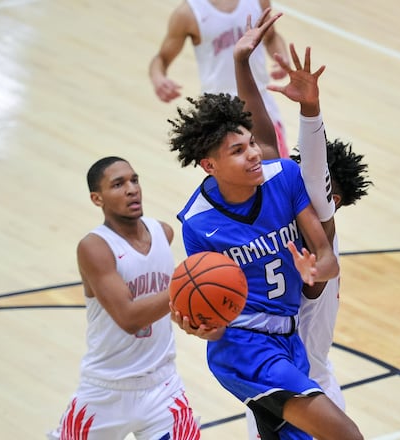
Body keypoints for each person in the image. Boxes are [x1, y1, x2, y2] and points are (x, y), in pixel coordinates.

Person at [166, 10, 364, 439]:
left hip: (290, 343)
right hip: (246, 348)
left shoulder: (285, 179)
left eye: (251, 143)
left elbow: (325, 257)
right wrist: (202, 324)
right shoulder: (199, 223)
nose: (254, 153)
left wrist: (317, 271)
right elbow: (210, 302)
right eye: (238, 150)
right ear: (209, 165)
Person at [231, 13, 372, 437]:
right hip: (278, 385)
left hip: (307, 386)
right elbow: (268, 141)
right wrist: (242, 62)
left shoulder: (321, 232)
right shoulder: (291, 209)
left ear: (333, 198)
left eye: (312, 180)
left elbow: (311, 167)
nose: (294, 175)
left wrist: (311, 109)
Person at [48, 157, 200, 440]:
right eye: (118, 184)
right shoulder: (95, 248)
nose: (131, 189)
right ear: (97, 198)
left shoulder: (163, 233)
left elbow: (170, 309)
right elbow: (129, 318)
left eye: (134, 180)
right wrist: (187, 285)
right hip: (106, 391)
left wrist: (199, 320)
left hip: (163, 384)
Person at [149, 0, 291, 158]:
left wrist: (281, 56)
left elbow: (271, 37)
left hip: (259, 100)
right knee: (236, 175)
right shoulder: (187, 14)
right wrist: (158, 78)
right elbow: (161, 58)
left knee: (279, 166)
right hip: (220, 110)